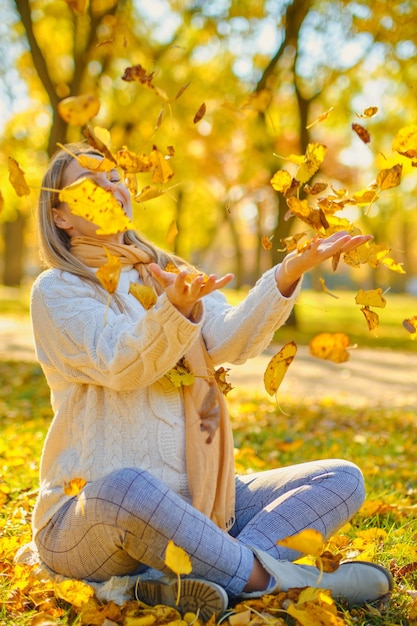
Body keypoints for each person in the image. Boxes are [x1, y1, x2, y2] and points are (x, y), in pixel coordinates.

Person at [28, 142, 392, 621]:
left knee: (341, 479)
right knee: (129, 488)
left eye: (116, 177)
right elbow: (122, 363)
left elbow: (230, 343)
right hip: (90, 518)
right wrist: (174, 311)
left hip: (198, 505)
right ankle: (275, 580)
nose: (111, 189)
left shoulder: (166, 274)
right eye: (89, 184)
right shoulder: (57, 291)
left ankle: (184, 578)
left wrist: (288, 272)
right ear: (60, 218)